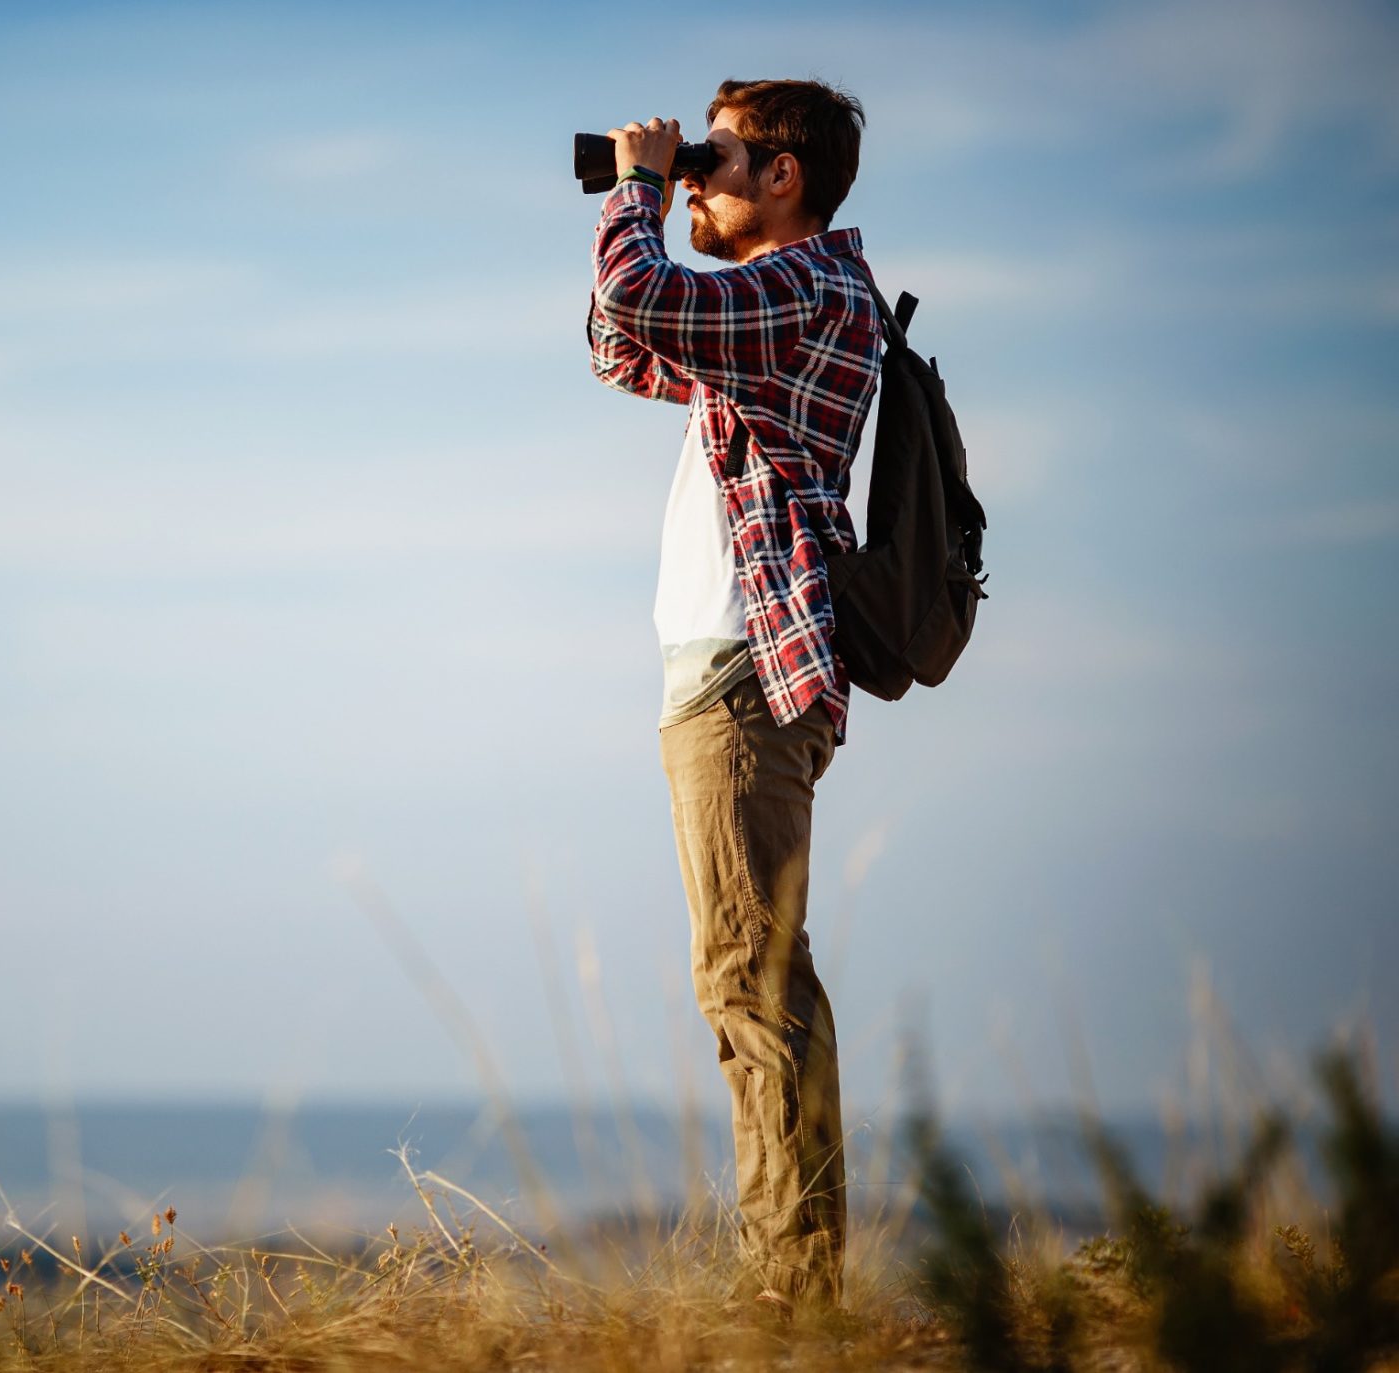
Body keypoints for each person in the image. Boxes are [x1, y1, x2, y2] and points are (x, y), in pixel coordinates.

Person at [584, 79, 878, 1313]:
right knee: (755, 969)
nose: (699, 179)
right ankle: (793, 1275)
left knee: (748, 977)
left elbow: (636, 292)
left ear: (783, 180)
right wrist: (643, 200)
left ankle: (792, 1293)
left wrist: (642, 195)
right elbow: (619, 345)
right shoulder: (763, 312)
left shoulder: (803, 285)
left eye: (720, 159)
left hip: (747, 673)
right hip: (726, 672)